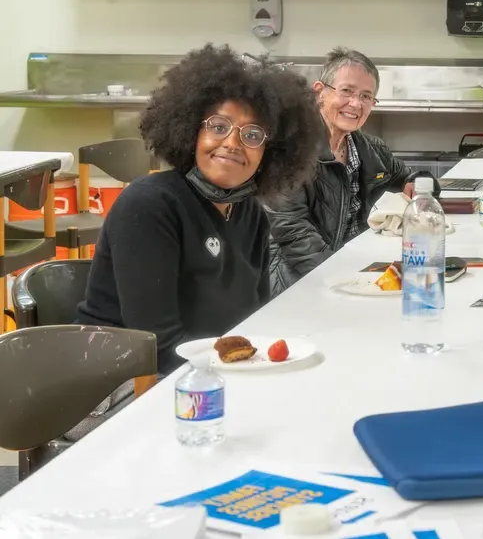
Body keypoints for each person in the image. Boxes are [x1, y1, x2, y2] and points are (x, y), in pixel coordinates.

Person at [76, 44, 323, 375]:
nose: (233, 143)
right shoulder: (149, 205)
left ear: (271, 152)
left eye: (252, 135)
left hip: (211, 373)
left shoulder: (250, 214)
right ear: (192, 131)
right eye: (219, 127)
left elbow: (252, 325)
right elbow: (157, 347)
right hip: (124, 384)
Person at [267, 47, 437, 294]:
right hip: (299, 283)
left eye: (367, 96)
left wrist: (420, 184)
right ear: (319, 93)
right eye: (346, 91)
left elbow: (411, 178)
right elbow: (294, 233)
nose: (356, 104)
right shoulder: (290, 151)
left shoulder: (370, 149)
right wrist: (346, 281)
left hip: (357, 270)